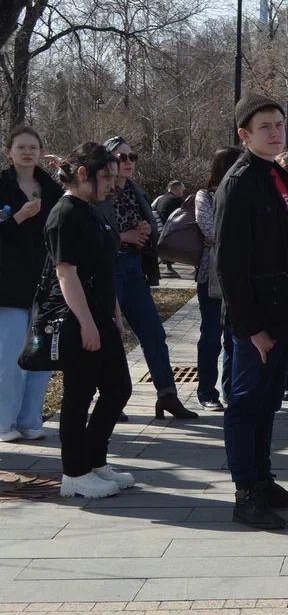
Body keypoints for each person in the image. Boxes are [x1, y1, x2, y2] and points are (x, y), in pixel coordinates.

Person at [214, 92, 288, 530]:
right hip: (256, 321)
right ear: (244, 135)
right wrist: (250, 327)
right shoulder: (240, 182)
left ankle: (263, 479)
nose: (275, 133)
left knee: (268, 402)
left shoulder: (277, 176)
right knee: (246, 403)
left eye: (279, 124)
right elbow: (230, 265)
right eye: (265, 127)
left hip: (283, 313)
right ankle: (246, 493)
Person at [49, 143, 133, 498]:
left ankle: (95, 460)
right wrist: (85, 323)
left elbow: (104, 268)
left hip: (100, 313)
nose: (112, 184)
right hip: (76, 317)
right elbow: (66, 273)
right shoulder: (65, 213)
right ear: (84, 174)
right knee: (78, 395)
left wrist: (114, 314)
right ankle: (75, 473)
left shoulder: (93, 210)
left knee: (118, 388)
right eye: (106, 177)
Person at [100, 136, 195, 420]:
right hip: (108, 268)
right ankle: (110, 400)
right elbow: (89, 233)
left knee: (154, 333)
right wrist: (124, 236)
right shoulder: (99, 192)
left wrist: (145, 233)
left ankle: (167, 395)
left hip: (134, 267)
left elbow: (151, 223)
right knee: (111, 336)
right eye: (121, 157)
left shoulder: (134, 190)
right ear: (107, 161)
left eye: (132, 157)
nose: (128, 162)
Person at [0, 127, 63, 442]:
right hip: (8, 286)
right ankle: (3, 422)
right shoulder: (2, 185)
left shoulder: (51, 188)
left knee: (40, 359)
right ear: (8, 151)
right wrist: (18, 218)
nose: (27, 152)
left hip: (45, 284)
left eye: (33, 147)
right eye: (21, 147)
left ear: (41, 152)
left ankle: (30, 419)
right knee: (9, 358)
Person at [193, 147, 242, 412]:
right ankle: (206, 391)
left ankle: (231, 390)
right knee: (211, 335)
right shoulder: (205, 195)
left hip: (236, 277)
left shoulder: (243, 194)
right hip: (209, 276)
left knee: (234, 337)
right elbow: (210, 230)